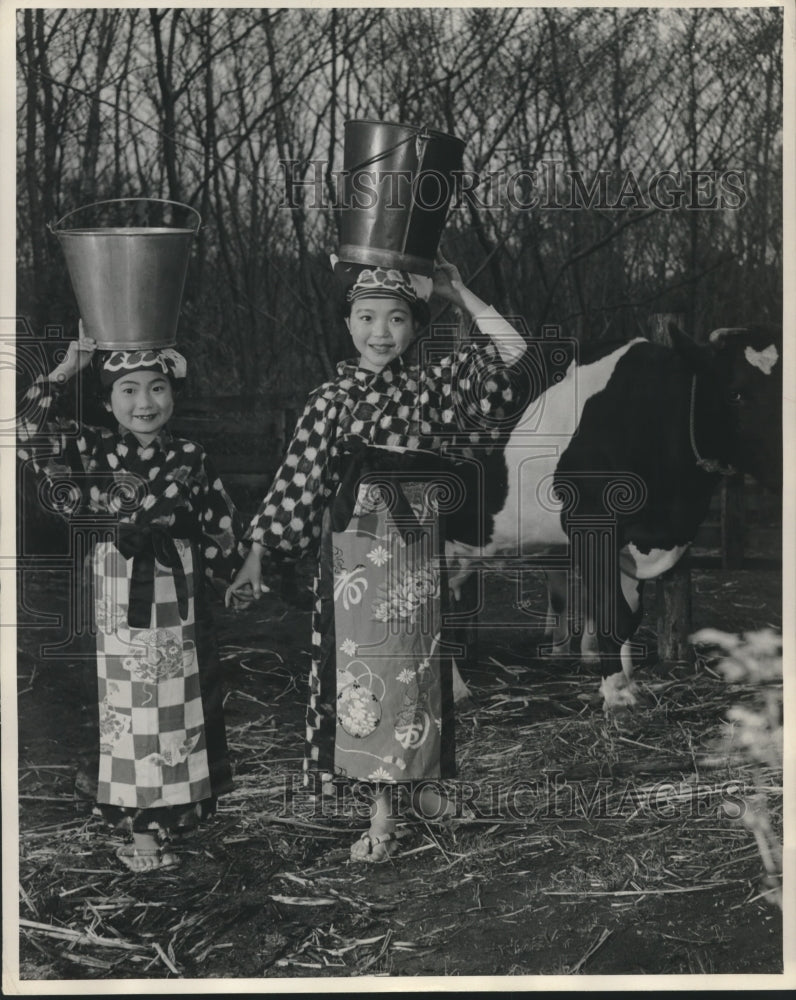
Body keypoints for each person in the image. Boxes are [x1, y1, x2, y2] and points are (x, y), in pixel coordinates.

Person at [226, 255, 527, 861]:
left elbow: (515, 359)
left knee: (421, 677)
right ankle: (381, 816)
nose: (380, 332)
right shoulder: (330, 400)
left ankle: (430, 792)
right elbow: (296, 483)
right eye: (366, 317)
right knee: (368, 684)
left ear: (415, 327)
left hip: (417, 560)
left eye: (395, 318)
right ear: (347, 324)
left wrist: (461, 292)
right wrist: (257, 554)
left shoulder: (434, 392)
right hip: (354, 564)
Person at [18, 331, 245, 872]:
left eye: (158, 387)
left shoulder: (190, 454)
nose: (146, 403)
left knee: (180, 702)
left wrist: (233, 576)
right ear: (107, 400)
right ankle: (139, 831)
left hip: (178, 590)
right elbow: (25, 430)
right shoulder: (91, 448)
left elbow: (219, 524)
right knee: (126, 710)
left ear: (173, 393)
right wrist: (65, 370)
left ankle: (174, 813)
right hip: (118, 587)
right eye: (129, 390)